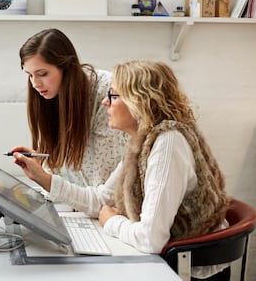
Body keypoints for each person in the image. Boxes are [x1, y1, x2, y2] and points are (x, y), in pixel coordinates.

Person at [12, 59, 231, 280]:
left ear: (141, 101)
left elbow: (150, 239)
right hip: (168, 259)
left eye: (114, 96)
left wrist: (112, 222)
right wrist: (44, 178)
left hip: (190, 269)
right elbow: (102, 199)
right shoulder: (142, 141)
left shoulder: (167, 144)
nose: (105, 103)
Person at [11, 28, 127, 187]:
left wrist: (77, 198)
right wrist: (40, 168)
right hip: (88, 201)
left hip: (112, 201)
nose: (35, 84)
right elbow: (63, 170)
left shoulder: (106, 93)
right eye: (30, 75)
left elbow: (103, 183)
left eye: (43, 74)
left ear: (66, 66)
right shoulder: (50, 94)